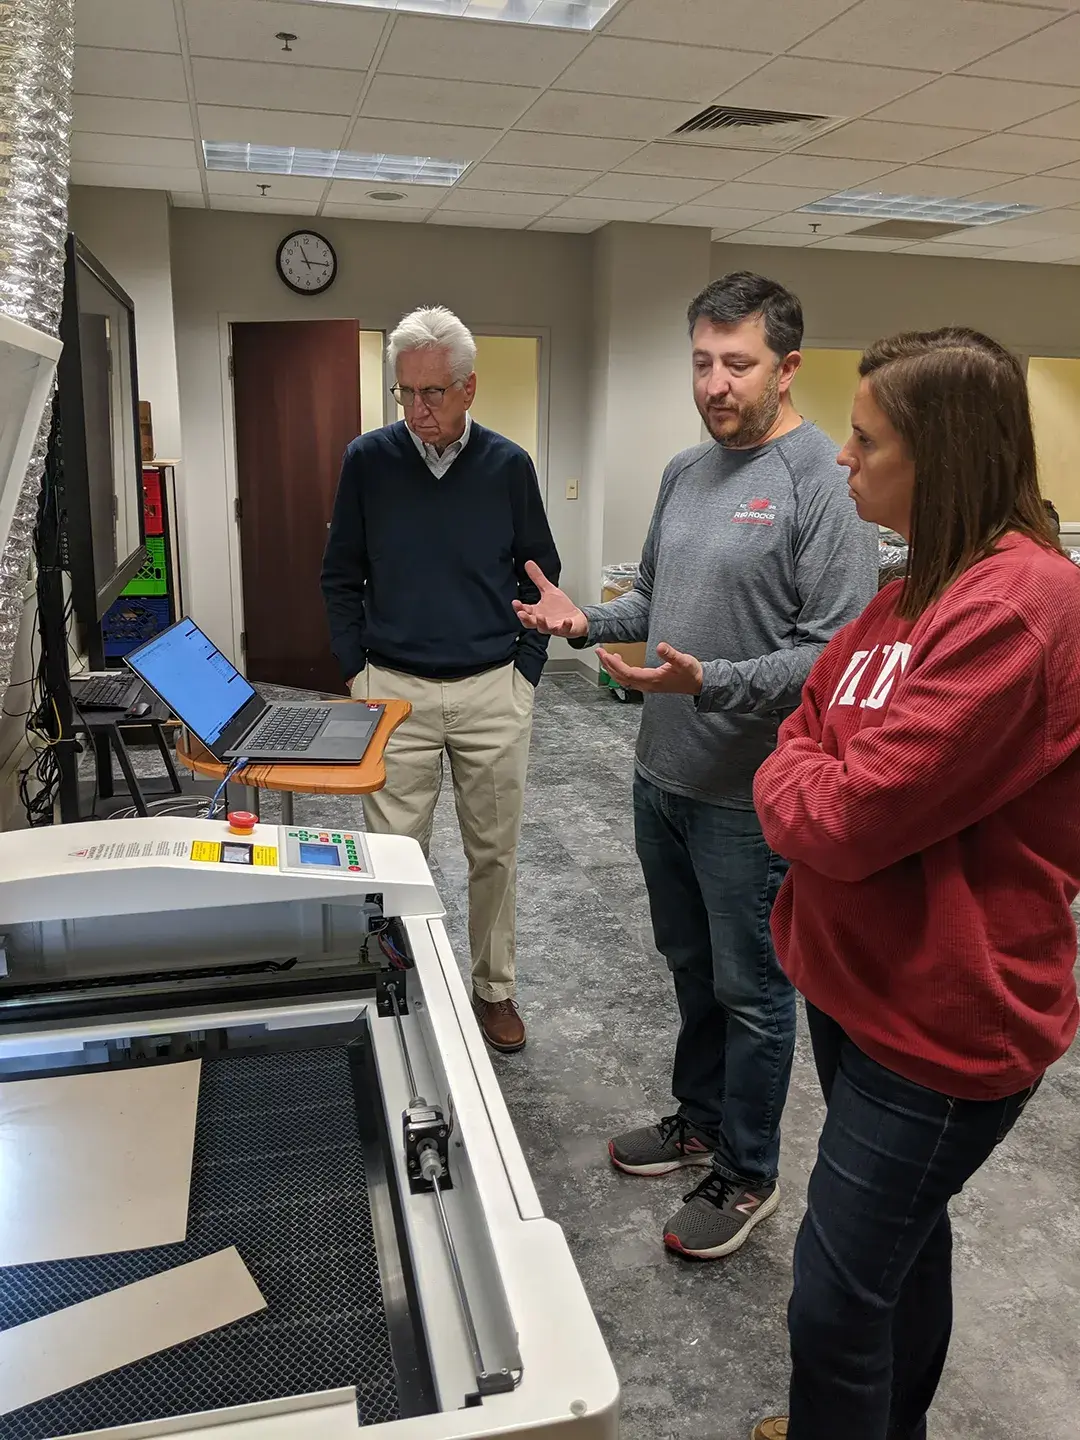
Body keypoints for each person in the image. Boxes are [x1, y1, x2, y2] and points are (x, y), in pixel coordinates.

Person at [750, 328, 1080, 1440]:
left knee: (833, 1304)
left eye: (866, 438)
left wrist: (801, 781)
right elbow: (807, 727)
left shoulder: (1021, 608)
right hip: (855, 988)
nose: (844, 458)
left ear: (939, 454)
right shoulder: (907, 595)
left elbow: (845, 817)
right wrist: (808, 772)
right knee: (901, 1247)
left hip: (940, 1024)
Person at [514, 273, 878, 1258]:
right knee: (690, 968)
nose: (715, 385)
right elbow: (656, 604)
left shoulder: (823, 485)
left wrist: (708, 679)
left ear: (788, 367)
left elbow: (832, 657)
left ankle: (749, 1170)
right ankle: (702, 1118)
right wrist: (587, 620)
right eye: (702, 363)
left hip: (750, 797)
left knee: (754, 992)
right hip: (661, 777)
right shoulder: (686, 473)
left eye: (738, 365)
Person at [321, 305, 560, 1054]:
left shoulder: (508, 466)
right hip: (395, 690)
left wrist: (526, 671)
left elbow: (540, 574)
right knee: (397, 856)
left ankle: (495, 989)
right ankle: (403, 981)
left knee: (495, 852)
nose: (417, 409)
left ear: (468, 390)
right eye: (405, 393)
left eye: (433, 393)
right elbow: (340, 577)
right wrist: (357, 671)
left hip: (493, 686)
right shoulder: (368, 461)